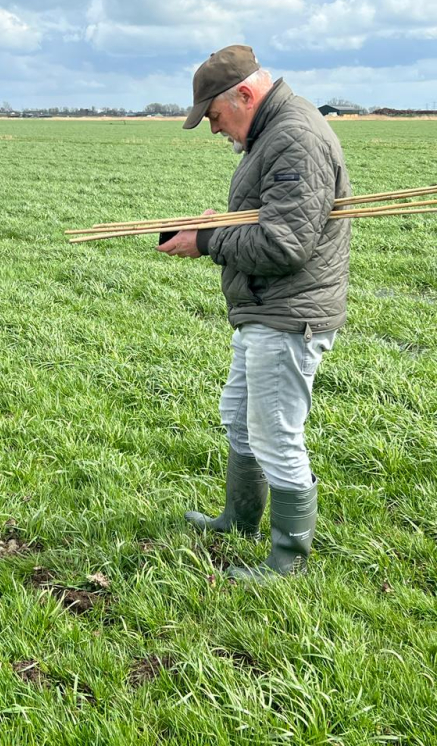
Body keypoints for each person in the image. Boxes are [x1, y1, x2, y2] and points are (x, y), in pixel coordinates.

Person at [157, 45, 351, 582]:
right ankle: (239, 520)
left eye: (215, 117)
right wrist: (222, 223)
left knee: (274, 435)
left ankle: (287, 562)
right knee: (239, 418)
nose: (216, 131)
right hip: (263, 307)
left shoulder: (295, 137)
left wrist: (210, 240)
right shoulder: (271, 131)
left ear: (244, 94)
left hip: (288, 313)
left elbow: (286, 244)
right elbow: (273, 218)